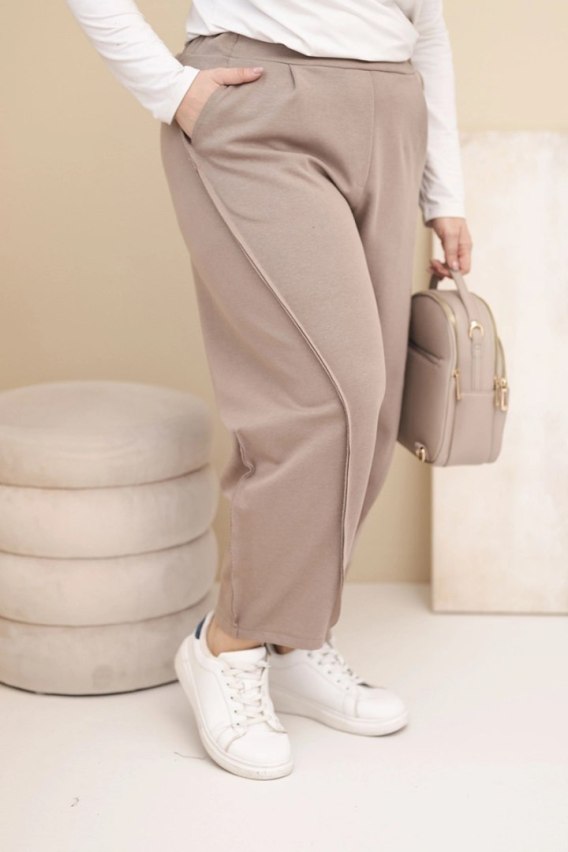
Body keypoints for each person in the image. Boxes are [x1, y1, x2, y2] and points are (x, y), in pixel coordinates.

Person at [65, 0, 473, 780]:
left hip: (393, 113)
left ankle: (293, 635)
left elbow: (430, 23)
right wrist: (167, 88)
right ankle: (229, 643)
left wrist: (444, 190)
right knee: (324, 397)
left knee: (375, 404)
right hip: (262, 101)